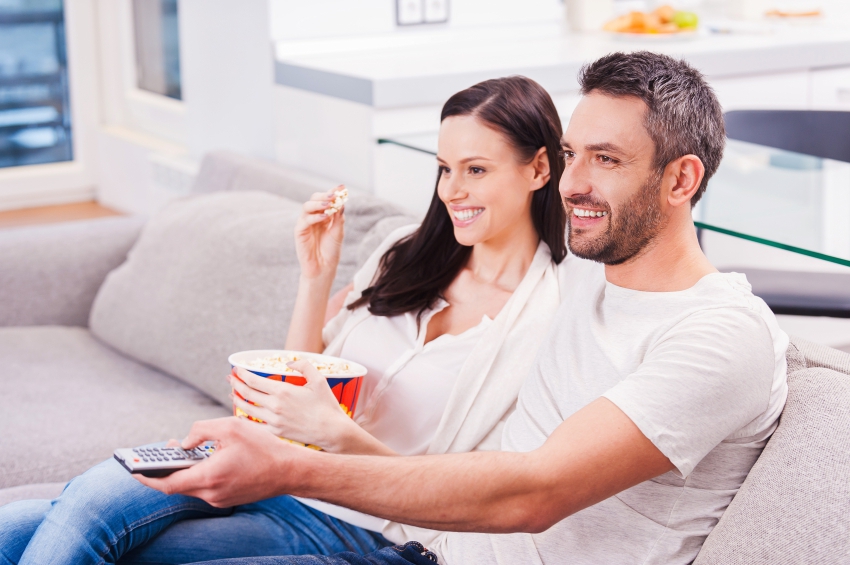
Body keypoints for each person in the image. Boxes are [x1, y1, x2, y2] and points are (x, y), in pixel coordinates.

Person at [130, 51, 790, 565]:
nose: (575, 182)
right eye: (570, 156)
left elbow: (536, 491)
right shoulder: (583, 277)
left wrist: (286, 467)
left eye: (607, 159)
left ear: (682, 179)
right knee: (54, 532)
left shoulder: (721, 337)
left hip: (430, 546)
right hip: (428, 544)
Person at [0, 76, 570, 565]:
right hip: (267, 462)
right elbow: (299, 385)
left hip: (354, 518)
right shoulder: (405, 252)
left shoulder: (546, 317)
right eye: (445, 169)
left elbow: (476, 491)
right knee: (71, 509)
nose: (453, 191)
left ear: (539, 168)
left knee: (66, 539)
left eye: (476, 169)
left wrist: (339, 438)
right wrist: (314, 278)